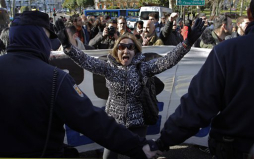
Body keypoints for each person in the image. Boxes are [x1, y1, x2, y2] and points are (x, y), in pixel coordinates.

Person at [0, 11, 158, 158]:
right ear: (39, 36)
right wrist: (138, 145)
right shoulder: (55, 78)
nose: (50, 44)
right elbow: (91, 121)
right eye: (48, 37)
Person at [55, 17, 205, 159]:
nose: (126, 50)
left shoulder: (144, 67)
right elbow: (84, 60)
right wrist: (67, 46)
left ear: (135, 51)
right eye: (121, 47)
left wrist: (187, 43)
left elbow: (168, 60)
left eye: (130, 47)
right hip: (113, 125)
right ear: (116, 50)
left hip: (138, 125)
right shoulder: (109, 68)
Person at [154, 0, 254, 158]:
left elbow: (198, 105)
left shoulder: (228, 51)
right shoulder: (226, 51)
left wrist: (163, 141)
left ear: (249, 14)